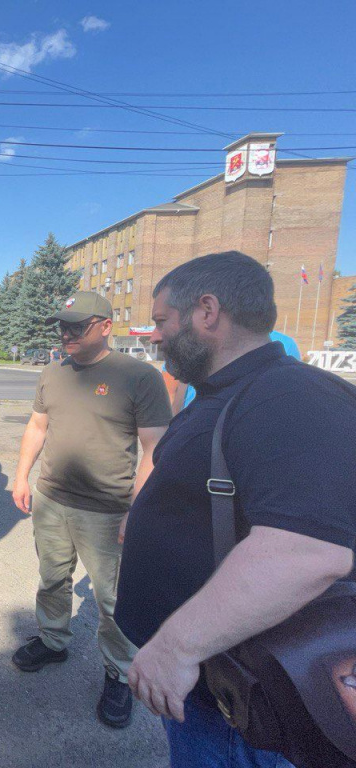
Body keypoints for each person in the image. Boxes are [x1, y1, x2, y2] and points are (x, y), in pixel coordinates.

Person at [115, 251, 356, 767]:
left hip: (238, 694)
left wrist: (177, 648)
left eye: (160, 321)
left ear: (207, 311)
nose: (153, 336)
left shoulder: (290, 396)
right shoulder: (227, 392)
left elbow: (306, 552)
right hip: (210, 683)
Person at [11, 291, 171, 728]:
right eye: (62, 325)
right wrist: (22, 476)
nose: (66, 334)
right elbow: (38, 425)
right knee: (52, 577)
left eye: (76, 326)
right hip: (52, 499)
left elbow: (155, 448)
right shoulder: (53, 371)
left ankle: (119, 673)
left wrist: (137, 508)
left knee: (112, 599)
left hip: (107, 511)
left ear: (105, 326)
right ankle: (53, 639)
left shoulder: (138, 377)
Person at [167, 329, 301, 416]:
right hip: (195, 419)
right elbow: (172, 390)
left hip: (246, 422)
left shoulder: (285, 343)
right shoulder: (195, 336)